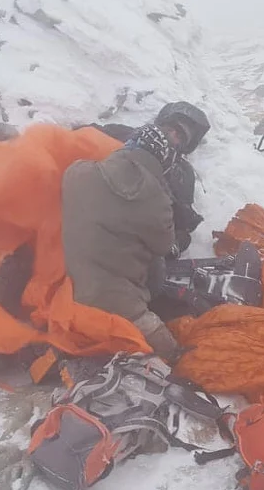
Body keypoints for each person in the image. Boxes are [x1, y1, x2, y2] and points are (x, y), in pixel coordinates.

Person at [61, 114, 197, 363]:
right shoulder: (157, 202)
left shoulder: (77, 172)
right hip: (116, 305)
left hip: (65, 290)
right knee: (174, 356)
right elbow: (164, 246)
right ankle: (174, 358)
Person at [80, 101, 211, 256]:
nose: (172, 135)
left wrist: (173, 246)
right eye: (171, 128)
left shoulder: (182, 174)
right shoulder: (123, 134)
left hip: (130, 243)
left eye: (180, 135)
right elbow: (84, 137)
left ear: (185, 145)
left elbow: (182, 227)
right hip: (90, 215)